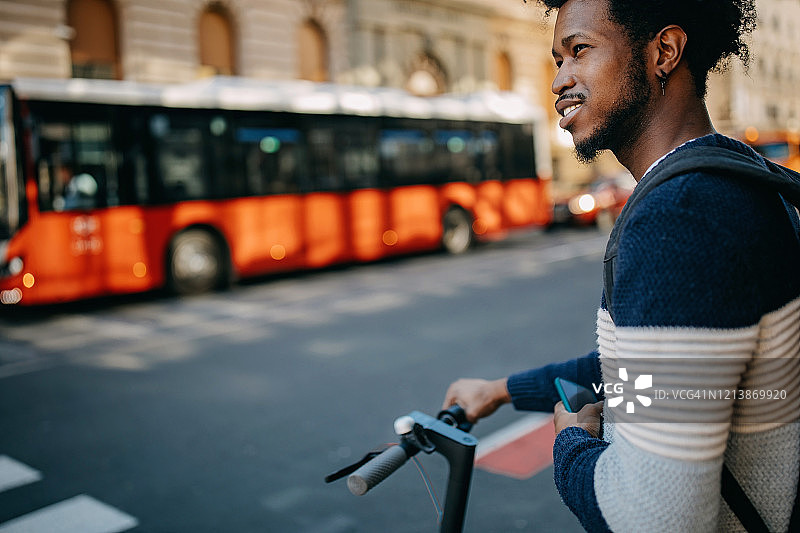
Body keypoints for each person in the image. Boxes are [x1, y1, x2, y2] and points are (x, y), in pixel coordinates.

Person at [441, 0, 800, 531]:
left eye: (579, 51)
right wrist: (500, 390)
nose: (559, 80)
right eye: (557, 60)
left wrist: (570, 446)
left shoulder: (680, 216)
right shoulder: (735, 176)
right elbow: (643, 369)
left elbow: (654, 517)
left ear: (664, 51)